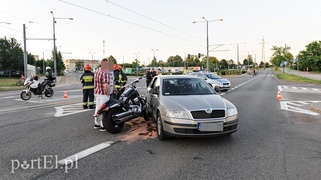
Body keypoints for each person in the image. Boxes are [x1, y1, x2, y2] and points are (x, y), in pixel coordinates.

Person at [94, 58, 110, 131]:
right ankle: (102, 125)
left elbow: (95, 82)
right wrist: (108, 94)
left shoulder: (97, 70)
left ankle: (96, 123)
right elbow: (106, 84)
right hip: (103, 93)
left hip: (97, 92)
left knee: (98, 108)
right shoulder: (105, 72)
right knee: (103, 110)